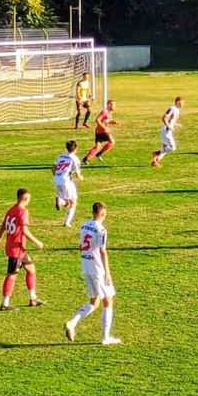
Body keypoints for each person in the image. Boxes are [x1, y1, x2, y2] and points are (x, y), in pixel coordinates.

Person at [64, 202, 121, 345]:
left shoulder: (84, 225)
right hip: (97, 269)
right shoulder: (101, 230)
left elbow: (80, 246)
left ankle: (72, 322)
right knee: (108, 301)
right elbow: (102, 251)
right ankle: (106, 337)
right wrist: (107, 272)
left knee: (94, 302)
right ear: (103, 214)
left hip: (86, 266)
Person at [0, 189, 45, 311]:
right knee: (12, 275)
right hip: (16, 250)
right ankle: (5, 303)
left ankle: (33, 298)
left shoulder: (11, 210)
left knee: (31, 269)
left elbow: (2, 228)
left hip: (19, 249)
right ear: (25, 199)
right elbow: (24, 231)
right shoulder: (23, 212)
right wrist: (37, 242)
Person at [53, 140, 84, 227]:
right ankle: (67, 222)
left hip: (57, 180)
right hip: (66, 181)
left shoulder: (61, 156)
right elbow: (78, 175)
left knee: (69, 202)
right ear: (76, 148)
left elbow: (53, 168)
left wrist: (57, 176)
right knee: (73, 201)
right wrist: (81, 178)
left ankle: (66, 221)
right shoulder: (74, 159)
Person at [82, 100, 119, 165]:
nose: (115, 107)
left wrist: (114, 122)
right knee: (112, 142)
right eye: (114, 105)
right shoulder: (104, 112)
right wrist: (105, 128)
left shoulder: (109, 113)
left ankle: (85, 159)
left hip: (99, 132)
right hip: (103, 132)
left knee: (97, 147)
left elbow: (107, 121)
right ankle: (99, 154)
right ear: (109, 105)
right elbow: (97, 120)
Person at [151, 97, 185, 167]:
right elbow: (164, 118)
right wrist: (169, 127)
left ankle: (155, 162)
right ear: (178, 102)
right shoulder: (172, 109)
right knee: (172, 147)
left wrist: (176, 124)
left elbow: (171, 120)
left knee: (165, 148)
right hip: (166, 131)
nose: (183, 104)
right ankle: (156, 153)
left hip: (168, 131)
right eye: (182, 102)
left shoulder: (177, 110)